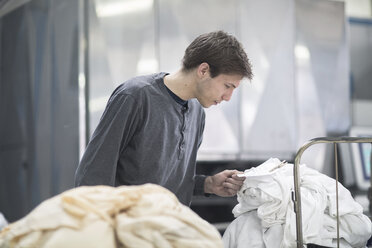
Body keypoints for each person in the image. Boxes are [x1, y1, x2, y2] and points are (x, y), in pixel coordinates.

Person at [75, 30, 253, 206]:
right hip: (125, 229)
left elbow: (166, 183)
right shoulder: (135, 96)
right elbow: (93, 174)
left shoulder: (197, 113)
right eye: (227, 86)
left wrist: (208, 184)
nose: (227, 96)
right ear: (204, 70)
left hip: (167, 229)